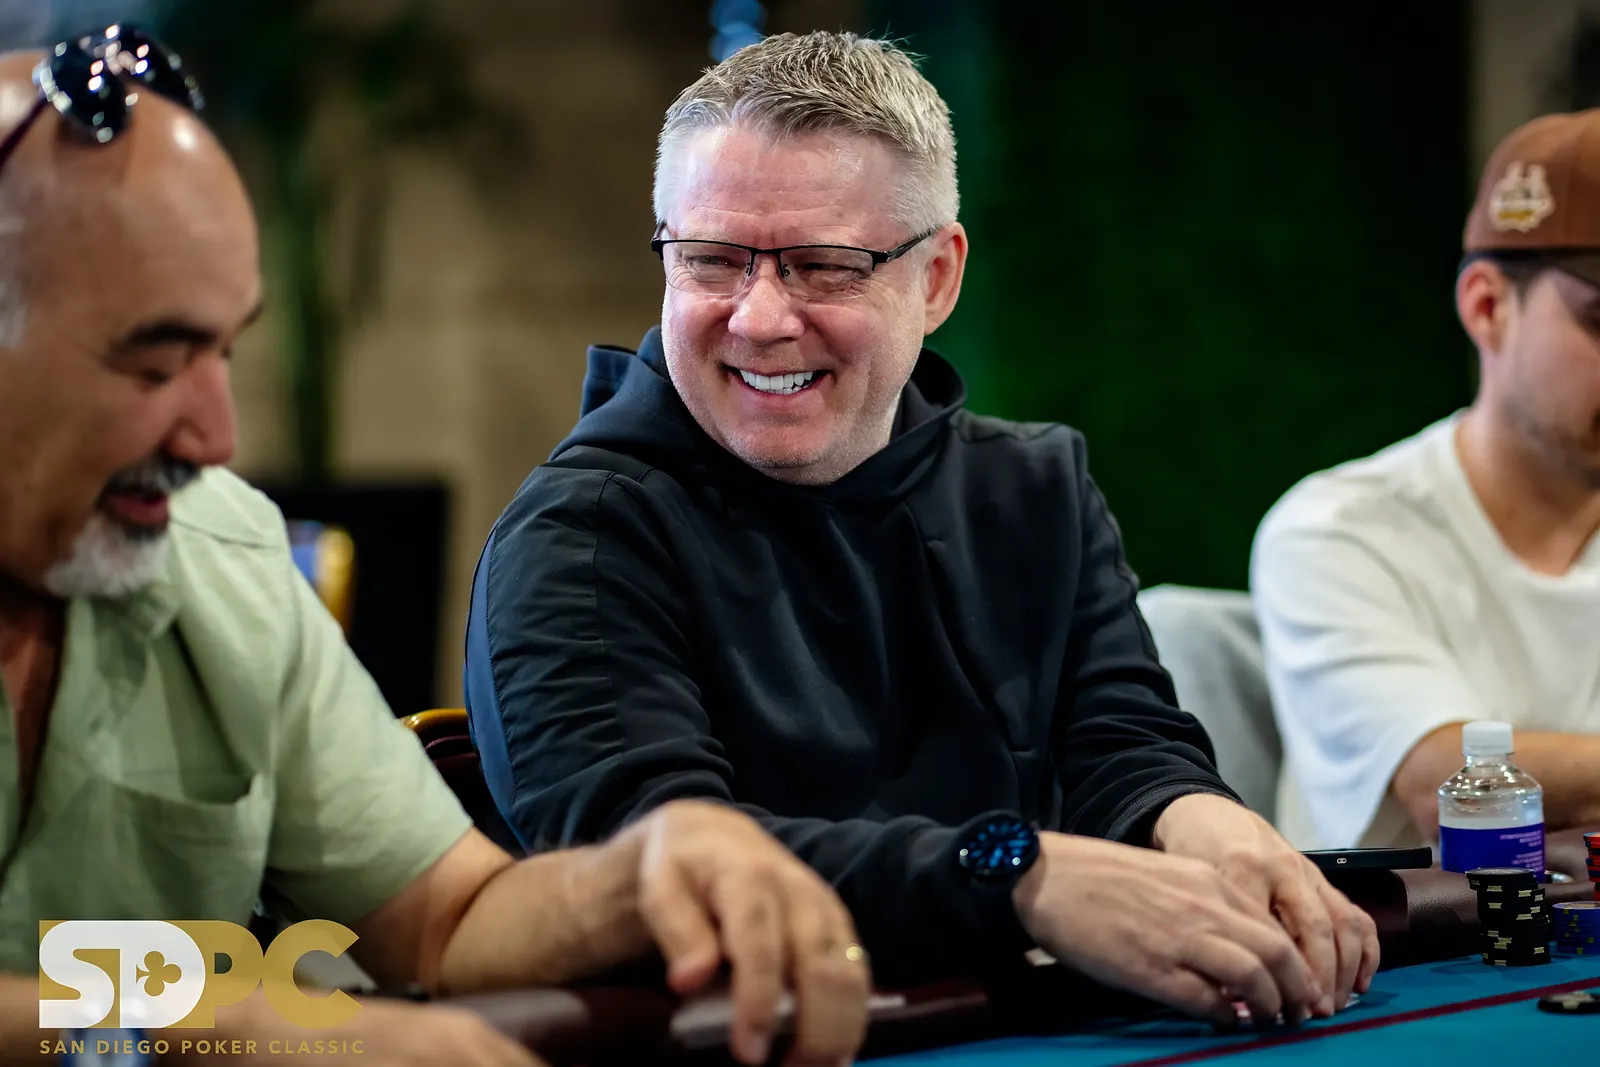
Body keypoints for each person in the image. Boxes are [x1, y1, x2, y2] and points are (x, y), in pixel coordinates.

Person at [466, 30, 1378, 1028]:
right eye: (712, 261)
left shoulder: (1033, 485)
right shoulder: (576, 537)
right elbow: (666, 869)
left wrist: (1201, 818)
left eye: (822, 267)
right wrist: (1016, 873)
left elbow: (1122, 745)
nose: (760, 318)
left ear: (937, 278)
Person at [0, 31, 868, 1067]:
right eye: (153, 365)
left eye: (224, 350)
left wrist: (637, 876)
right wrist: (224, 1022)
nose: (216, 437)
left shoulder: (223, 554)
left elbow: (446, 920)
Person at [1252, 109, 1600, 854]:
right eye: (1599, 319)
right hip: (1415, 930)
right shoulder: (1338, 532)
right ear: (1487, 307)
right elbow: (1452, 788)